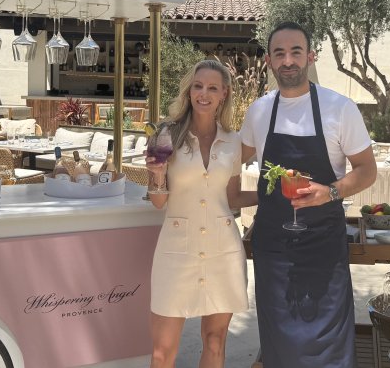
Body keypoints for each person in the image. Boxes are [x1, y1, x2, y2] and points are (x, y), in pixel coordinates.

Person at [240, 22, 377, 367]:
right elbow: (226, 160)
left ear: (311, 57)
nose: (288, 60)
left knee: (328, 344)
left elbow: (367, 170)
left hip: (323, 245)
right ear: (269, 61)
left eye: (295, 52)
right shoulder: (259, 111)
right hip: (273, 248)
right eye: (279, 53)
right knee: (279, 342)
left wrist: (330, 192)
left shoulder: (339, 108)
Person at [145, 59, 257, 368]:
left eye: (212, 88)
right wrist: (156, 174)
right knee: (162, 352)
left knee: (215, 341)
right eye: (198, 86)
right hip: (175, 252)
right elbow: (158, 201)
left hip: (223, 251)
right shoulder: (165, 134)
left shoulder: (233, 142)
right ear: (189, 91)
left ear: (224, 94)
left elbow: (232, 197)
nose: (203, 94)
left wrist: (271, 196)